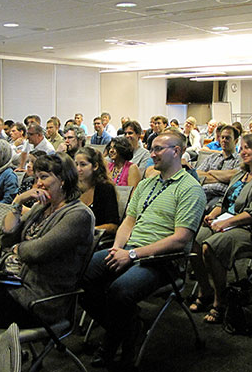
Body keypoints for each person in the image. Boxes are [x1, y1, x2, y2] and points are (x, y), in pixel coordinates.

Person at [81, 131, 206, 367]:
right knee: (81, 276)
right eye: (152, 148)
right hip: (129, 249)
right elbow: (128, 221)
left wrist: (131, 254)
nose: (152, 153)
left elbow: (180, 239)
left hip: (163, 260)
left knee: (120, 291)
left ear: (177, 151)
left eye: (158, 148)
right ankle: (128, 329)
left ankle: (117, 341)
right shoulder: (147, 184)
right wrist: (117, 248)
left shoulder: (190, 189)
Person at [0, 153, 94, 328]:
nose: (38, 182)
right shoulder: (41, 207)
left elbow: (37, 251)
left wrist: (17, 249)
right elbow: (7, 237)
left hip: (37, 301)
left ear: (63, 179)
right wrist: (18, 201)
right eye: (37, 177)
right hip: (12, 284)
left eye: (44, 177)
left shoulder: (79, 215)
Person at [190, 134, 252, 322]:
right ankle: (205, 289)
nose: (243, 151)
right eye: (241, 148)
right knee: (193, 240)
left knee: (211, 246)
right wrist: (214, 215)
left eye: (248, 147)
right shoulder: (240, 175)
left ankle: (220, 300)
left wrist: (226, 223)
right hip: (229, 222)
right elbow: (227, 204)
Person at [76, 146, 119, 236]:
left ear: (95, 166)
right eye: (76, 164)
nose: (78, 169)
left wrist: (89, 230)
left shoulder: (105, 189)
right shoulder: (74, 189)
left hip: (94, 238)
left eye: (83, 165)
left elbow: (113, 226)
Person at [196, 124, 241, 208]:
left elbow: (233, 177)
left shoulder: (239, 160)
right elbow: (197, 174)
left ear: (236, 141)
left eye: (228, 138)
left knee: (204, 207)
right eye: (222, 137)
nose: (223, 140)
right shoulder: (212, 157)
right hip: (202, 192)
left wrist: (211, 172)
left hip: (221, 196)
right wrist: (222, 178)